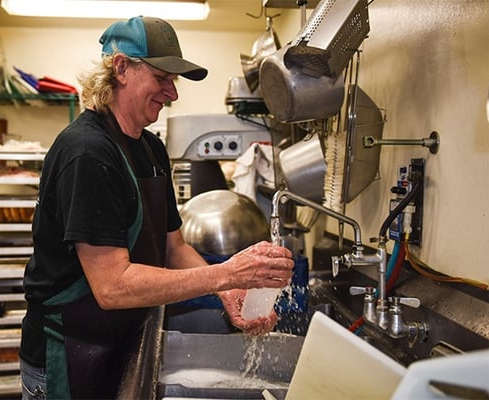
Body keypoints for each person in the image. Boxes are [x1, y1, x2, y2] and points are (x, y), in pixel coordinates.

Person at [19, 15, 294, 400]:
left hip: (122, 344)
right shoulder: (87, 154)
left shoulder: (150, 149)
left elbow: (173, 247)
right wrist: (225, 275)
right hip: (69, 355)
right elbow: (112, 287)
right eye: (162, 78)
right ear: (121, 68)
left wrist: (226, 292)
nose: (172, 93)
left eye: (174, 81)